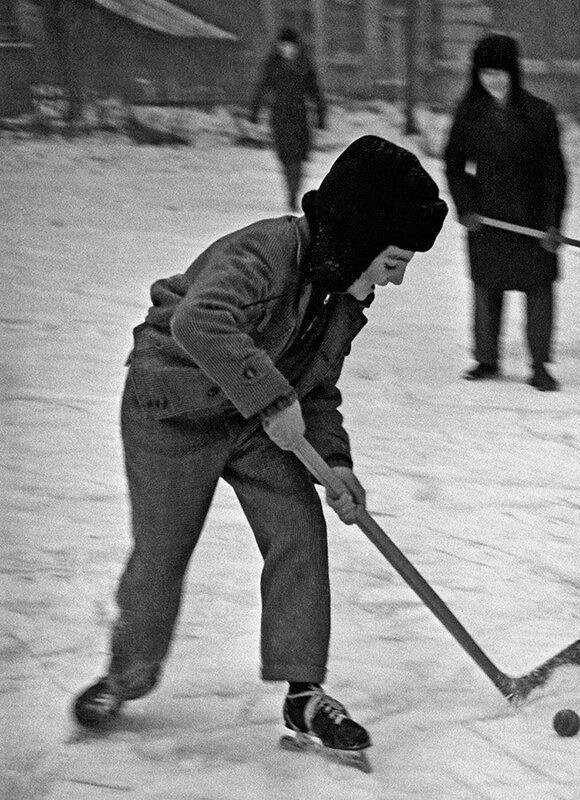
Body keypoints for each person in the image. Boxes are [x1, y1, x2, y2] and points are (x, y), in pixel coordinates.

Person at [70, 136, 448, 762]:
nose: (397, 278)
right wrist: (274, 401)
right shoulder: (266, 251)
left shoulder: (345, 298)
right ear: (355, 240)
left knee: (299, 531)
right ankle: (126, 676)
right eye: (392, 261)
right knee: (163, 551)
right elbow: (199, 321)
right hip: (173, 408)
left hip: (256, 422)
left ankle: (304, 693)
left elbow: (318, 386)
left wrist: (337, 465)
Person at [443, 32, 569, 392]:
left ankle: (540, 366)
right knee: (486, 290)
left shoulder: (539, 113)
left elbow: (555, 174)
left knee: (539, 291)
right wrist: (466, 207)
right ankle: (487, 359)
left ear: (513, 72)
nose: (492, 80)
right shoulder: (469, 113)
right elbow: (454, 164)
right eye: (485, 73)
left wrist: (552, 223)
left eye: (499, 72)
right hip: (488, 218)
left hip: (532, 218)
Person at [249, 27, 327, 212]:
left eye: (290, 46)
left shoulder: (304, 66)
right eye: (283, 46)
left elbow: (315, 91)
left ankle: (293, 194)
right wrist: (255, 111)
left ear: (296, 46)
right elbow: (262, 88)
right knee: (286, 159)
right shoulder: (273, 65)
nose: (286, 49)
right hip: (280, 118)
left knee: (298, 159)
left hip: (299, 118)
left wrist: (321, 115)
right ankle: (291, 192)